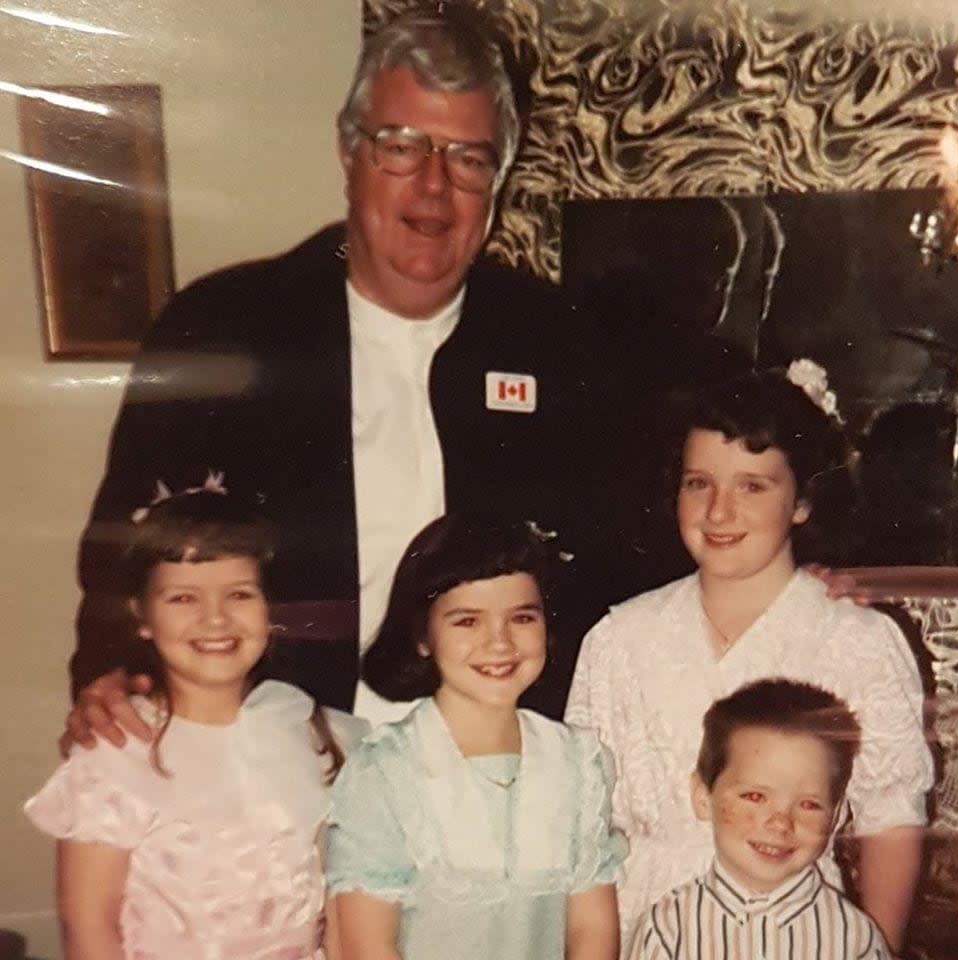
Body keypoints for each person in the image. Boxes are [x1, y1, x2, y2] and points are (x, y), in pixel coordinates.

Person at [66, 6, 618, 742]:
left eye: (468, 158)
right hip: (273, 756)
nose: (432, 186)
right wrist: (108, 670)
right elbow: (126, 548)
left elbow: (652, 530)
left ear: (499, 180)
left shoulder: (560, 345)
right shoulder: (222, 329)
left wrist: (810, 565)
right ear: (348, 150)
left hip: (488, 763)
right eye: (401, 147)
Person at [565, 364, 933, 954]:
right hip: (645, 931)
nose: (718, 512)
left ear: (803, 501)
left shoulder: (856, 640)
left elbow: (890, 820)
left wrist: (873, 947)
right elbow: (583, 837)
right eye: (698, 483)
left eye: (752, 486)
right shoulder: (618, 639)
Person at [26, 487, 369, 960]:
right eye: (184, 598)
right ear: (141, 616)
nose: (215, 618)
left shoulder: (311, 733)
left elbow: (338, 914)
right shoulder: (116, 752)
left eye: (240, 595)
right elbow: (89, 926)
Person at [325, 514, 625, 960]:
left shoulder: (577, 763)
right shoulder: (387, 771)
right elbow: (367, 947)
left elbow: (591, 932)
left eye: (522, 618)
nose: (499, 643)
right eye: (467, 622)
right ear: (423, 636)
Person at [630, 679, 893, 960]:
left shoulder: (853, 940)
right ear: (704, 797)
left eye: (808, 804)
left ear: (836, 815)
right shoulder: (669, 930)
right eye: (755, 797)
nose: (780, 823)